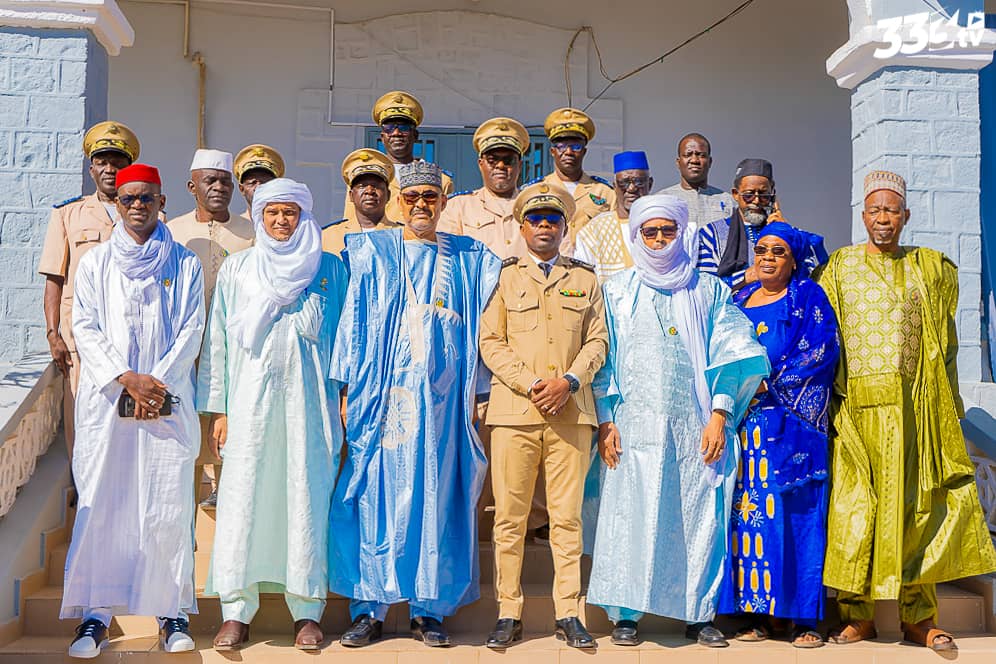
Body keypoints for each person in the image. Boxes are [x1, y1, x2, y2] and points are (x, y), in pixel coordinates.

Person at [817, 171, 996, 651]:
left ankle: (920, 618)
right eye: (875, 210)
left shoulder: (930, 267)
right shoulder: (839, 267)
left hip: (915, 414)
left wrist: (948, 407)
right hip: (855, 412)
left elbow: (948, 346)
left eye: (891, 210)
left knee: (918, 511)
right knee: (855, 513)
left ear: (905, 216)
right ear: (863, 216)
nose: (883, 218)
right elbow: (821, 335)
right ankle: (857, 616)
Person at [329, 160, 502, 648]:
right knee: (376, 495)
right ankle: (370, 607)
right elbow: (353, 321)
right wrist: (346, 388)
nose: (421, 205)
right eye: (412, 198)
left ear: (444, 203)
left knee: (436, 496)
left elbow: (487, 322)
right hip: (381, 398)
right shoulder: (373, 251)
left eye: (430, 197)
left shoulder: (467, 257)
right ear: (398, 202)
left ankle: (429, 609)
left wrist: (481, 391)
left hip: (444, 407)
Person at [587, 194, 768, 648]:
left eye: (668, 231)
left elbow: (730, 355)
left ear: (681, 233)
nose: (660, 239)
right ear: (637, 235)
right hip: (633, 425)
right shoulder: (617, 290)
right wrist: (606, 420)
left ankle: (696, 613)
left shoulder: (708, 290)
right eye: (650, 232)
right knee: (630, 515)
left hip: (695, 425)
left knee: (696, 516)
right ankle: (625, 614)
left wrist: (720, 414)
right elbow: (603, 360)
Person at [61, 164, 204, 658]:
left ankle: (171, 612)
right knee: (104, 503)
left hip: (165, 401)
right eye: (129, 199)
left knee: (166, 507)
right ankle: (96, 616)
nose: (138, 206)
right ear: (117, 204)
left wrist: (153, 384)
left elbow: (191, 328)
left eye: (147, 198)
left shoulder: (185, 263)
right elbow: (84, 326)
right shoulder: (96, 264)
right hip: (108, 404)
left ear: (162, 201)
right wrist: (127, 378)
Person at [199, 178, 347, 651]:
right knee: (244, 500)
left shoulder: (328, 268)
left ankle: (307, 610)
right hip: (249, 409)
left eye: (290, 212)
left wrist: (345, 398)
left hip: (311, 408)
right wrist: (220, 410)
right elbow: (218, 342)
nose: (282, 221)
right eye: (273, 213)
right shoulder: (239, 269)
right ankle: (236, 611)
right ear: (260, 217)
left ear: (304, 216)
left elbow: (347, 339)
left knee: (306, 498)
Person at [479, 182, 608, 650]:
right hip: (516, 412)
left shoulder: (586, 280)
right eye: (535, 220)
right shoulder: (503, 277)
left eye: (553, 220)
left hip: (570, 412)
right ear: (522, 226)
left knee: (566, 519)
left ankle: (568, 612)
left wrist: (568, 382)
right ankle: (508, 612)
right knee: (510, 518)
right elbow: (490, 341)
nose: (545, 227)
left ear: (564, 227)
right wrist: (532, 383)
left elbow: (598, 340)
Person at [716, 222, 840, 648]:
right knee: (750, 518)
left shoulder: (808, 296)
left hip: (792, 427)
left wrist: (768, 382)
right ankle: (755, 615)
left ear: (794, 259)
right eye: (763, 250)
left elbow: (821, 350)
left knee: (797, 516)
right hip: (745, 426)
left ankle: (803, 619)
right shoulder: (738, 298)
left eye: (778, 252)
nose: (768, 258)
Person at [38, 121, 140, 460]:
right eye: (102, 162)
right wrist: (53, 333)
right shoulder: (68, 214)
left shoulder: (146, 214)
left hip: (130, 335)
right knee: (81, 418)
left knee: (124, 423)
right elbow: (55, 278)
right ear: (91, 168)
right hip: (79, 338)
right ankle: (82, 489)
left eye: (118, 162)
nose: (110, 169)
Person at [168, 149, 254, 509]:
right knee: (186, 423)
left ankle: (224, 494)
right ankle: (186, 499)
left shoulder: (252, 232)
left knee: (228, 420)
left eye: (225, 182)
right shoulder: (174, 231)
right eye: (210, 181)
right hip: (185, 348)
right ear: (192, 187)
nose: (219, 187)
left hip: (233, 347)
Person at [697, 159, 826, 287]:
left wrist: (788, 235)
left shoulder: (789, 232)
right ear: (735, 194)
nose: (756, 201)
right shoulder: (710, 234)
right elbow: (706, 286)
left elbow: (810, 276)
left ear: (772, 195)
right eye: (749, 195)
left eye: (764, 195)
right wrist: (746, 276)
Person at [341, 90, 454, 223]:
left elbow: (447, 225)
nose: (396, 133)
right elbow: (351, 224)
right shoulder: (361, 179)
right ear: (382, 137)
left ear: (415, 135)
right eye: (389, 127)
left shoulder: (441, 180)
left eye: (404, 127)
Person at [438, 117, 531, 260]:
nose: (500, 166)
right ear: (481, 164)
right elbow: (447, 258)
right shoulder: (457, 207)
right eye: (492, 160)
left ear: (519, 165)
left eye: (508, 160)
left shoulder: (533, 205)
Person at [533, 108, 614, 254]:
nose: (569, 152)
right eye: (561, 146)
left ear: (584, 151)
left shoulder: (605, 193)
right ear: (552, 152)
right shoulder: (536, 191)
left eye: (576, 146)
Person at [574, 150, 653, 281]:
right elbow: (583, 280)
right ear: (615, 186)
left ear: (650, 184)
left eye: (639, 182)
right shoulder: (594, 231)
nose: (631, 188)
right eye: (624, 182)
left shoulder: (663, 227)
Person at [322, 148, 402, 256]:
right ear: (351, 195)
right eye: (362, 186)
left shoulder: (404, 235)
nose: (369, 191)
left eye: (376, 186)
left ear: (388, 195)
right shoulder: (327, 236)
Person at [659, 133, 735, 229]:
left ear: (710, 162)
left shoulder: (729, 202)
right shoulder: (661, 200)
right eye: (688, 155)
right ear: (678, 162)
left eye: (701, 155)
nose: (694, 160)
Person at [233, 143, 284, 221]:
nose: (258, 187)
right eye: (253, 183)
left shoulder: (289, 225)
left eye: (265, 182)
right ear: (242, 189)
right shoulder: (234, 227)